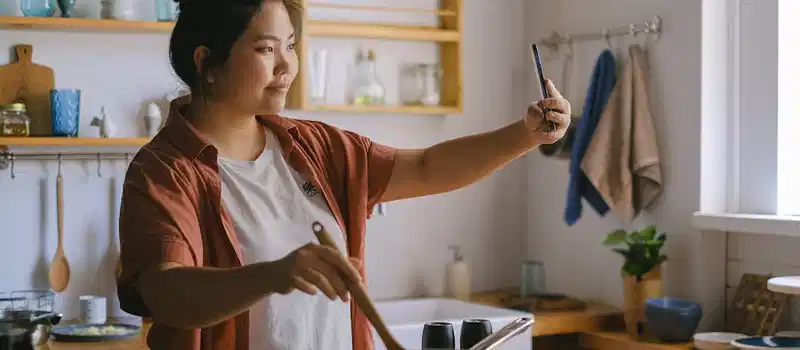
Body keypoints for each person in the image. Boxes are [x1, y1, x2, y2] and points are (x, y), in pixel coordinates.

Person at [116, 0, 571, 349]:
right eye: (265, 49)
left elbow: (427, 167)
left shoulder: (317, 148)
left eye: (290, 46)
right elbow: (166, 293)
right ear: (207, 62)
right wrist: (274, 275)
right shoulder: (165, 171)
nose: (286, 65)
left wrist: (525, 134)